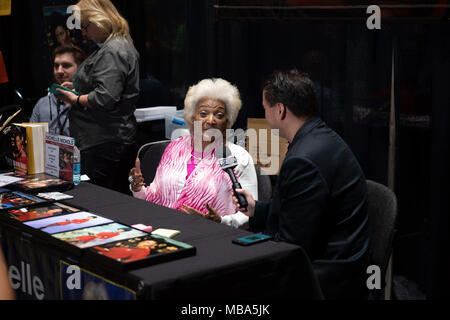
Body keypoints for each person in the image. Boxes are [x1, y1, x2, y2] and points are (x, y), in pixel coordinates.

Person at [234, 69, 370, 299]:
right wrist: (257, 209)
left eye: (265, 107)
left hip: (327, 277)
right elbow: (297, 213)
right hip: (342, 261)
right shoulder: (321, 137)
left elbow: (292, 245)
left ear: (280, 110)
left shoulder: (303, 159)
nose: (265, 115)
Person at [129, 78, 258, 228]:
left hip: (211, 236)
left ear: (228, 121)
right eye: (203, 113)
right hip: (163, 229)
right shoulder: (174, 148)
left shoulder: (238, 157)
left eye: (219, 115)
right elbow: (153, 198)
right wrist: (137, 188)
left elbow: (250, 213)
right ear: (192, 117)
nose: (211, 120)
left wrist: (221, 222)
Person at [56, 0, 139, 194]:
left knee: (98, 202)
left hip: (105, 142)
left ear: (99, 20)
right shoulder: (113, 47)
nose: (84, 33)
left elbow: (105, 98)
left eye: (85, 26)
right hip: (106, 140)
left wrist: (75, 99)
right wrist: (76, 89)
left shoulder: (113, 50)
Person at [30, 45, 87, 136]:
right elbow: (33, 139)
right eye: (56, 66)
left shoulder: (90, 101)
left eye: (66, 65)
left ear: (80, 68)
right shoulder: (42, 104)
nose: (59, 71)